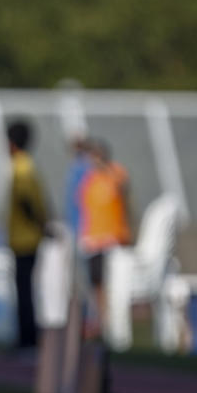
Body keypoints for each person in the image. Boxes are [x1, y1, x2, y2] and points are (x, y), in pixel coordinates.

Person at [78, 138, 131, 337]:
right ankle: (98, 322)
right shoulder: (89, 179)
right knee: (96, 285)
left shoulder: (115, 173)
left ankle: (110, 324)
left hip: (113, 239)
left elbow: (123, 189)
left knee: (111, 284)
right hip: (93, 240)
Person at [6, 120, 48, 350]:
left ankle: (27, 338)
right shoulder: (29, 165)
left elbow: (25, 201)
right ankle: (28, 335)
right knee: (27, 288)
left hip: (24, 238)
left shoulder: (21, 167)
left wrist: (41, 225)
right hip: (28, 237)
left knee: (24, 290)